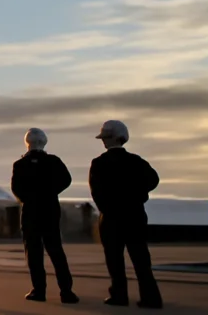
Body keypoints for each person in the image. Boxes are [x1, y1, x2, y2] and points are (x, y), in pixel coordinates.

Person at [89, 120, 164, 309]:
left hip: (111, 219)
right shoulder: (136, 161)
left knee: (114, 260)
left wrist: (107, 208)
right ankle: (151, 297)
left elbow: (96, 192)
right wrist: (138, 195)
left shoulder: (99, 163)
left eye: (105, 138)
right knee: (141, 259)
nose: (103, 141)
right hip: (134, 216)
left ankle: (119, 295)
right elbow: (153, 180)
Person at [10, 128, 80, 304]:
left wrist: (28, 198)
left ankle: (39, 290)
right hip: (50, 210)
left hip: (30, 212)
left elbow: (16, 189)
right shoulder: (53, 162)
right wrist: (50, 192)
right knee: (56, 251)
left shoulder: (20, 165)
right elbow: (66, 180)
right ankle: (66, 290)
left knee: (34, 253)